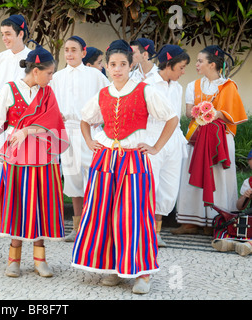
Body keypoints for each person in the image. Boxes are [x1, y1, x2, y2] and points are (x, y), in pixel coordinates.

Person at [71, 40, 178, 294]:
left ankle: (143, 273)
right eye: (112, 65)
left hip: (133, 160)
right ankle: (114, 268)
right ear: (106, 67)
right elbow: (85, 120)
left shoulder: (146, 91)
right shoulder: (103, 93)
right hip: (106, 159)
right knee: (104, 214)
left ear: (131, 66)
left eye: (122, 64)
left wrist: (155, 147)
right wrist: (89, 142)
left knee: (135, 215)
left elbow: (172, 119)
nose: (117, 69)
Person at [0, 43, 69, 278]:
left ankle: (40, 260)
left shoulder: (47, 93)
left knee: (41, 206)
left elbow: (53, 122)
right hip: (17, 158)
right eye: (49, 73)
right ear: (36, 71)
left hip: (43, 157)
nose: (51, 78)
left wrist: (26, 131)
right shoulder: (9, 90)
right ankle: (13, 260)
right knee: (17, 206)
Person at [173, 45, 248, 235]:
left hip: (220, 140)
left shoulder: (229, 86)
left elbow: (233, 114)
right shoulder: (193, 85)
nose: (196, 64)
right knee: (192, 173)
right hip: (197, 137)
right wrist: (199, 112)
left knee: (218, 177)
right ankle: (190, 222)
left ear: (212, 64)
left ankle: (215, 222)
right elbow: (189, 111)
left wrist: (215, 113)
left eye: (200, 61)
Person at [50, 35, 110, 242]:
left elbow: (108, 97)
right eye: (66, 49)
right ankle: (77, 227)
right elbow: (53, 106)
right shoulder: (57, 77)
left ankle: (95, 226)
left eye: (74, 50)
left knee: (94, 177)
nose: (69, 54)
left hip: (91, 132)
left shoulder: (95, 75)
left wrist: (100, 120)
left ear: (84, 52)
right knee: (73, 178)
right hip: (67, 131)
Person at [143, 45, 190, 247]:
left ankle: (157, 231)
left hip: (173, 139)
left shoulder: (177, 87)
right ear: (168, 65)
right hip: (153, 137)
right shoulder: (147, 84)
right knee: (150, 185)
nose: (183, 71)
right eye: (181, 67)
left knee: (168, 187)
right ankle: (145, 231)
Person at [0, 14, 32, 234]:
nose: (4, 38)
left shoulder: (32, 57)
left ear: (21, 33)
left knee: (23, 170)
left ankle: (25, 217)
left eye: (8, 34)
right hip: (2, 120)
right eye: (2, 34)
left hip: (24, 123)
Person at [211, 149, 252, 257]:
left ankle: (243, 244)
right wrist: (245, 196)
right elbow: (239, 207)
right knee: (221, 220)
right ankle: (233, 243)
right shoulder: (249, 182)